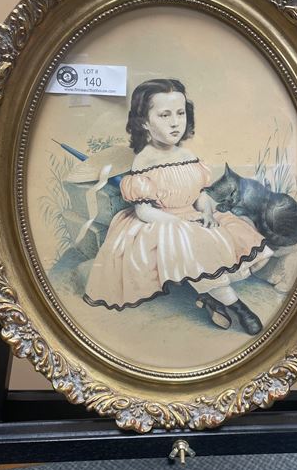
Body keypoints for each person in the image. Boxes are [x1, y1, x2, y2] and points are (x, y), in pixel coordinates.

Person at [83, 79, 273, 335]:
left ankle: (209, 297)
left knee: (232, 237)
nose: (175, 122)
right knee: (194, 244)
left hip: (192, 215)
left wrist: (206, 212)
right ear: (144, 122)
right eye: (164, 115)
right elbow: (144, 211)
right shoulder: (144, 161)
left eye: (180, 113)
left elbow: (199, 194)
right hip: (161, 221)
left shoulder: (188, 156)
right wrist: (180, 223)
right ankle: (239, 308)